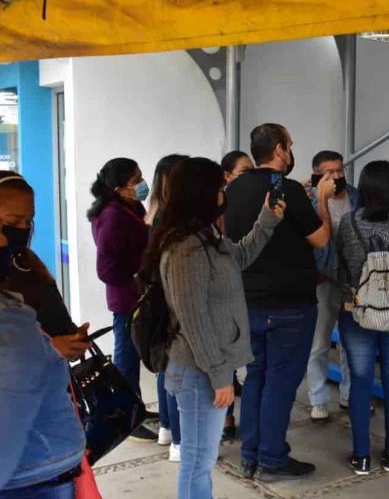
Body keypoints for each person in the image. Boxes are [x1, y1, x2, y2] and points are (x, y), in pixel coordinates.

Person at [143, 157, 285, 499]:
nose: (225, 193)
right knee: (197, 461)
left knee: (201, 460)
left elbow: (240, 257)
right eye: (220, 187)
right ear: (201, 192)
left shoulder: (206, 235)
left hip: (204, 369)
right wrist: (220, 376)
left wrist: (266, 221)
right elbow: (194, 320)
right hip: (197, 372)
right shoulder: (184, 248)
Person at [225, 123, 335, 482]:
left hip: (248, 303)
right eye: (289, 145)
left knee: (256, 376)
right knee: (281, 382)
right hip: (289, 306)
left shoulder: (234, 188)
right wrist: (320, 199)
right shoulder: (286, 189)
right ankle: (272, 457)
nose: (292, 151)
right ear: (278, 149)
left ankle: (250, 454)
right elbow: (320, 239)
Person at [0, 186, 86, 499]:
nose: (12, 238)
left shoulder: (2, 307)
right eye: (6, 227)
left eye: (27, 222)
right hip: (25, 479)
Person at [336, 160, 389, 475]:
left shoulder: (348, 223)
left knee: (360, 380)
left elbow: (340, 266)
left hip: (355, 312)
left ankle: (361, 456)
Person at [0, 171, 90, 361]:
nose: (23, 229)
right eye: (12, 222)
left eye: (28, 221)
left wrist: (73, 338)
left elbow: (56, 319)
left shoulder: (30, 265)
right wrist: (49, 348)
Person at [87, 157, 158, 441]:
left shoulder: (129, 207)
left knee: (135, 354)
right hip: (127, 298)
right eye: (136, 180)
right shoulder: (112, 215)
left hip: (137, 294)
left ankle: (137, 408)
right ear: (119, 188)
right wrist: (135, 278)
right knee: (126, 358)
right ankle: (128, 418)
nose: (142, 184)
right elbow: (106, 267)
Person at [306, 150, 360, 422]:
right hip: (322, 278)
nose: (337, 176)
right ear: (317, 173)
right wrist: (319, 199)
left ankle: (350, 395)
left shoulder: (355, 195)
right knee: (319, 341)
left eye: (340, 170)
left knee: (352, 342)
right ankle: (318, 398)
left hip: (352, 278)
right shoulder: (309, 199)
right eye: (330, 172)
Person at [145, 154, 188, 460]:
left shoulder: (154, 212)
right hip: (173, 303)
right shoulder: (174, 218)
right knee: (176, 372)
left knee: (165, 369)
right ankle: (180, 442)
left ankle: (167, 428)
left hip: (159, 301)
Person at [220, 150, 252, 440]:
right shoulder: (220, 210)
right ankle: (227, 418)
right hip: (228, 293)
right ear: (227, 176)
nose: (250, 176)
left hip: (249, 288)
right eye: (244, 172)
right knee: (227, 354)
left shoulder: (254, 200)